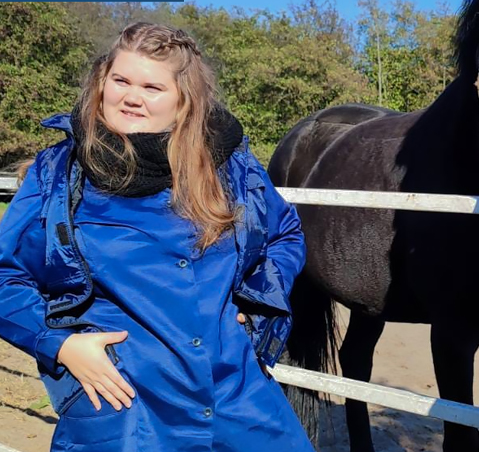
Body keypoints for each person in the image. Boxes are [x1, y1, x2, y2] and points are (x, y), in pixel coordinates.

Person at [0, 23, 314, 451]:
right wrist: (62, 344)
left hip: (235, 398)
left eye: (152, 86)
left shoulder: (231, 167)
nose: (131, 96)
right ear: (101, 81)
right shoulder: (59, 173)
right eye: (121, 80)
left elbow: (285, 234)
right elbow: (6, 276)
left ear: (184, 101)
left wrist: (259, 299)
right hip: (125, 407)